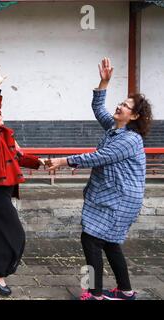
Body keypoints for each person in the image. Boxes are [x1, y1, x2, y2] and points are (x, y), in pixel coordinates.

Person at [48, 58, 153, 300]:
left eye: (126, 106)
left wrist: (63, 161)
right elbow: (99, 109)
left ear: (135, 116)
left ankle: (94, 293)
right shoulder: (116, 128)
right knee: (109, 242)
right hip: (114, 195)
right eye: (121, 103)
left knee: (91, 239)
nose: (119, 107)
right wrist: (104, 82)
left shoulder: (130, 140)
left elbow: (99, 157)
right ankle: (125, 291)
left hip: (119, 199)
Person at [0, 65, 46, 296]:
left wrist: (39, 163)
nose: (0, 117)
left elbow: (18, 157)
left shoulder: (4, 138)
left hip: (3, 190)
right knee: (15, 234)